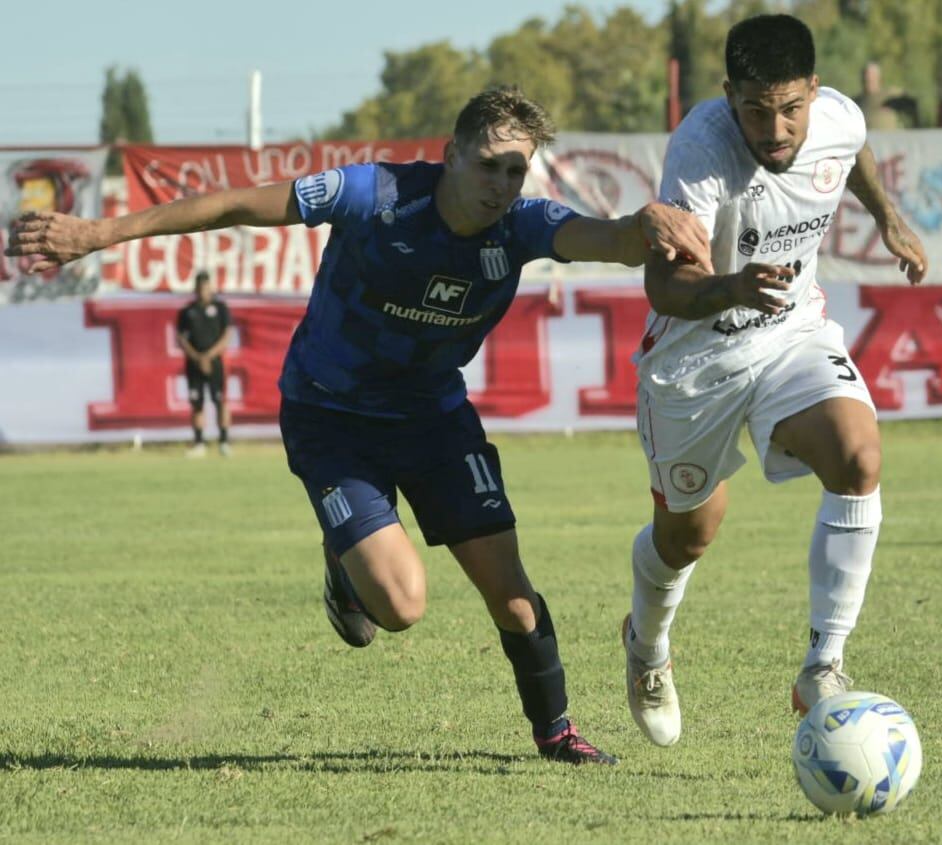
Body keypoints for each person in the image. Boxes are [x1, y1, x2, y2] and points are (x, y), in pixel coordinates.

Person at [6, 86, 711, 766]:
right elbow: (233, 205)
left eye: (515, 169)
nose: (500, 182)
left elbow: (610, 241)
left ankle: (557, 734)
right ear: (451, 154)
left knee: (513, 594)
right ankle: (344, 562)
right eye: (488, 163)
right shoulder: (372, 194)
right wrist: (101, 231)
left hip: (433, 416)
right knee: (401, 607)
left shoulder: (522, 225)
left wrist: (645, 223)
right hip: (330, 416)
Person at [620, 14, 928, 748]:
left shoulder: (838, 118)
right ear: (730, 96)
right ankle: (646, 644)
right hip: (696, 362)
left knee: (859, 455)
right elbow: (664, 287)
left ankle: (825, 662)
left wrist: (887, 216)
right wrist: (730, 287)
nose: (776, 128)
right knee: (688, 535)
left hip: (791, 334)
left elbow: (852, 152)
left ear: (814, 93)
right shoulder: (700, 150)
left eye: (791, 108)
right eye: (756, 110)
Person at [177, 270, 233, 457]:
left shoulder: (221, 308)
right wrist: (197, 357)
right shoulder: (187, 311)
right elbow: (181, 338)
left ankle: (224, 442)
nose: (203, 291)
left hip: (215, 362)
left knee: (220, 401)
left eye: (206, 287)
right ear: (195, 288)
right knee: (197, 403)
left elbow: (226, 336)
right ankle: (199, 442)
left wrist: (208, 356)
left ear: (211, 287)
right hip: (194, 363)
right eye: (200, 287)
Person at [853, 62, 919, 131]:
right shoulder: (855, 102)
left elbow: (912, 105)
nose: (868, 79)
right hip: (865, 140)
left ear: (879, 77)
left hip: (888, 139)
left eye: (872, 76)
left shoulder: (891, 95)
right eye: (866, 76)